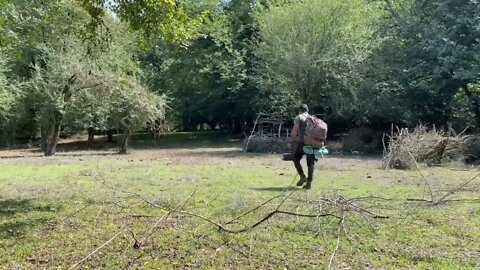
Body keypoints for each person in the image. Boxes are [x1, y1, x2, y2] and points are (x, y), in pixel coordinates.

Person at [288, 104, 316, 189]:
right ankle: (309, 183)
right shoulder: (313, 118)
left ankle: (302, 176)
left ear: (300, 110)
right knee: (311, 163)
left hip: (302, 143)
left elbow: (295, 130)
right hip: (312, 143)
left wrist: (291, 141)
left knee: (295, 159)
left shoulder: (299, 117)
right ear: (307, 110)